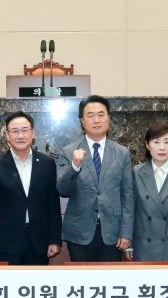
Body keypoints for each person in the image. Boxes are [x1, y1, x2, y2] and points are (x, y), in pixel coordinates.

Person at [56, 95, 133, 262]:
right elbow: (62, 190)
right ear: (82, 121)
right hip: (79, 232)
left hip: (112, 232)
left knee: (109, 277)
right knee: (82, 277)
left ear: (108, 118)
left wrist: (126, 232)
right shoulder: (68, 152)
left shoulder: (122, 153)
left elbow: (127, 195)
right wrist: (74, 166)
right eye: (90, 115)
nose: (96, 120)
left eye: (101, 114)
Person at [0, 111, 62, 265]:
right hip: (7, 241)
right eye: (15, 131)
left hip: (39, 240)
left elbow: (53, 203)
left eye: (24, 130)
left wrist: (54, 239)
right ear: (7, 135)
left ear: (33, 133)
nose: (20, 136)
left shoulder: (47, 163)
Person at [128, 124, 168, 261]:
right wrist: (129, 243)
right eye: (156, 142)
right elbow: (130, 209)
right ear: (147, 145)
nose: (162, 147)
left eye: (167, 142)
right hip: (144, 245)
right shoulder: (137, 172)